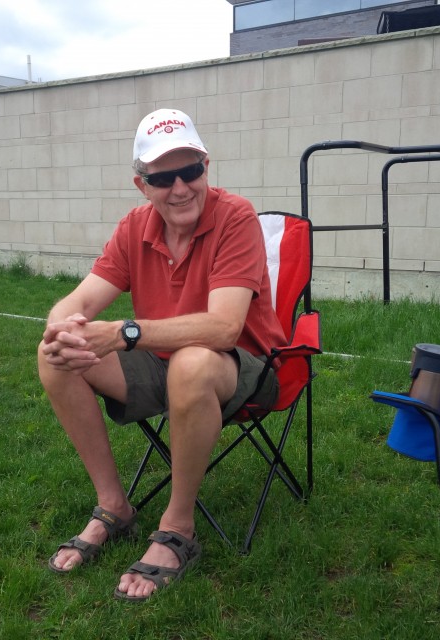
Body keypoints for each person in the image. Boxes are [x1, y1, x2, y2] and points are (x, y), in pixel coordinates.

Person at [38, 108, 286, 601]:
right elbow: (80, 301)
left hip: (242, 367)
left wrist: (127, 331)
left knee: (193, 362)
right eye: (163, 177)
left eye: (190, 170)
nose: (180, 188)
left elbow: (224, 327)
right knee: (53, 356)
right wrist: (60, 330)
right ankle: (114, 507)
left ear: (206, 166)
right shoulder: (135, 227)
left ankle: (178, 527)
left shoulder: (235, 216)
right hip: (162, 362)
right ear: (142, 184)